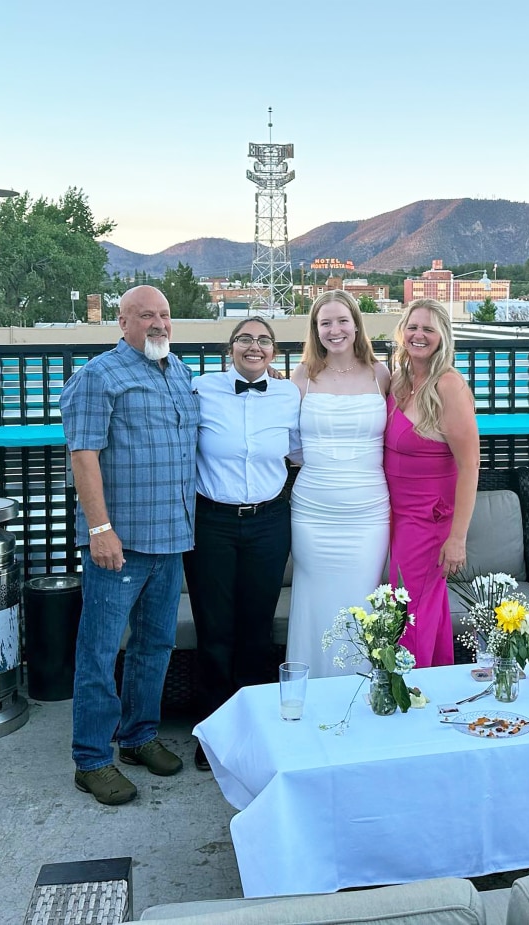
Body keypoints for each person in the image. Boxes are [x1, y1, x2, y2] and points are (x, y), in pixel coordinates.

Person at [59, 285, 199, 805]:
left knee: (155, 646)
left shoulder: (179, 372)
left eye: (164, 314)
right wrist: (100, 530)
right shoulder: (99, 376)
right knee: (98, 651)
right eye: (146, 316)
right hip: (119, 543)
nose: (158, 323)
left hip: (171, 538)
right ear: (122, 323)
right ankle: (92, 759)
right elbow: (84, 455)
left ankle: (138, 736)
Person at [184, 317, 300, 771]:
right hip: (211, 521)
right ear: (229, 348)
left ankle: (254, 732)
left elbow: (299, 452)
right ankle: (214, 734)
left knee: (256, 629)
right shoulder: (201, 388)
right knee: (214, 630)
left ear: (274, 351)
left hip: (269, 521)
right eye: (245, 339)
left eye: (264, 340)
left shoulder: (289, 394)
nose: (255, 346)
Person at [286, 290, 390, 678]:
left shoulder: (381, 374)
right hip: (314, 514)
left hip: (369, 516)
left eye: (342, 320)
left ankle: (363, 693)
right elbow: (287, 441)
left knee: (363, 603)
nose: (335, 330)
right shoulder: (303, 377)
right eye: (325, 322)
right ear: (315, 330)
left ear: (356, 325)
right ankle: (312, 693)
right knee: (315, 604)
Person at [384, 298, 480, 667]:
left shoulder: (448, 385)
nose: (418, 335)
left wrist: (457, 538)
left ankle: (409, 690)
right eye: (412, 327)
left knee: (409, 609)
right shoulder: (399, 380)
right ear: (401, 332)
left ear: (443, 336)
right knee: (423, 605)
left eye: (428, 328)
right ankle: (438, 685)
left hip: (429, 519)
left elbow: (470, 465)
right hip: (396, 514)